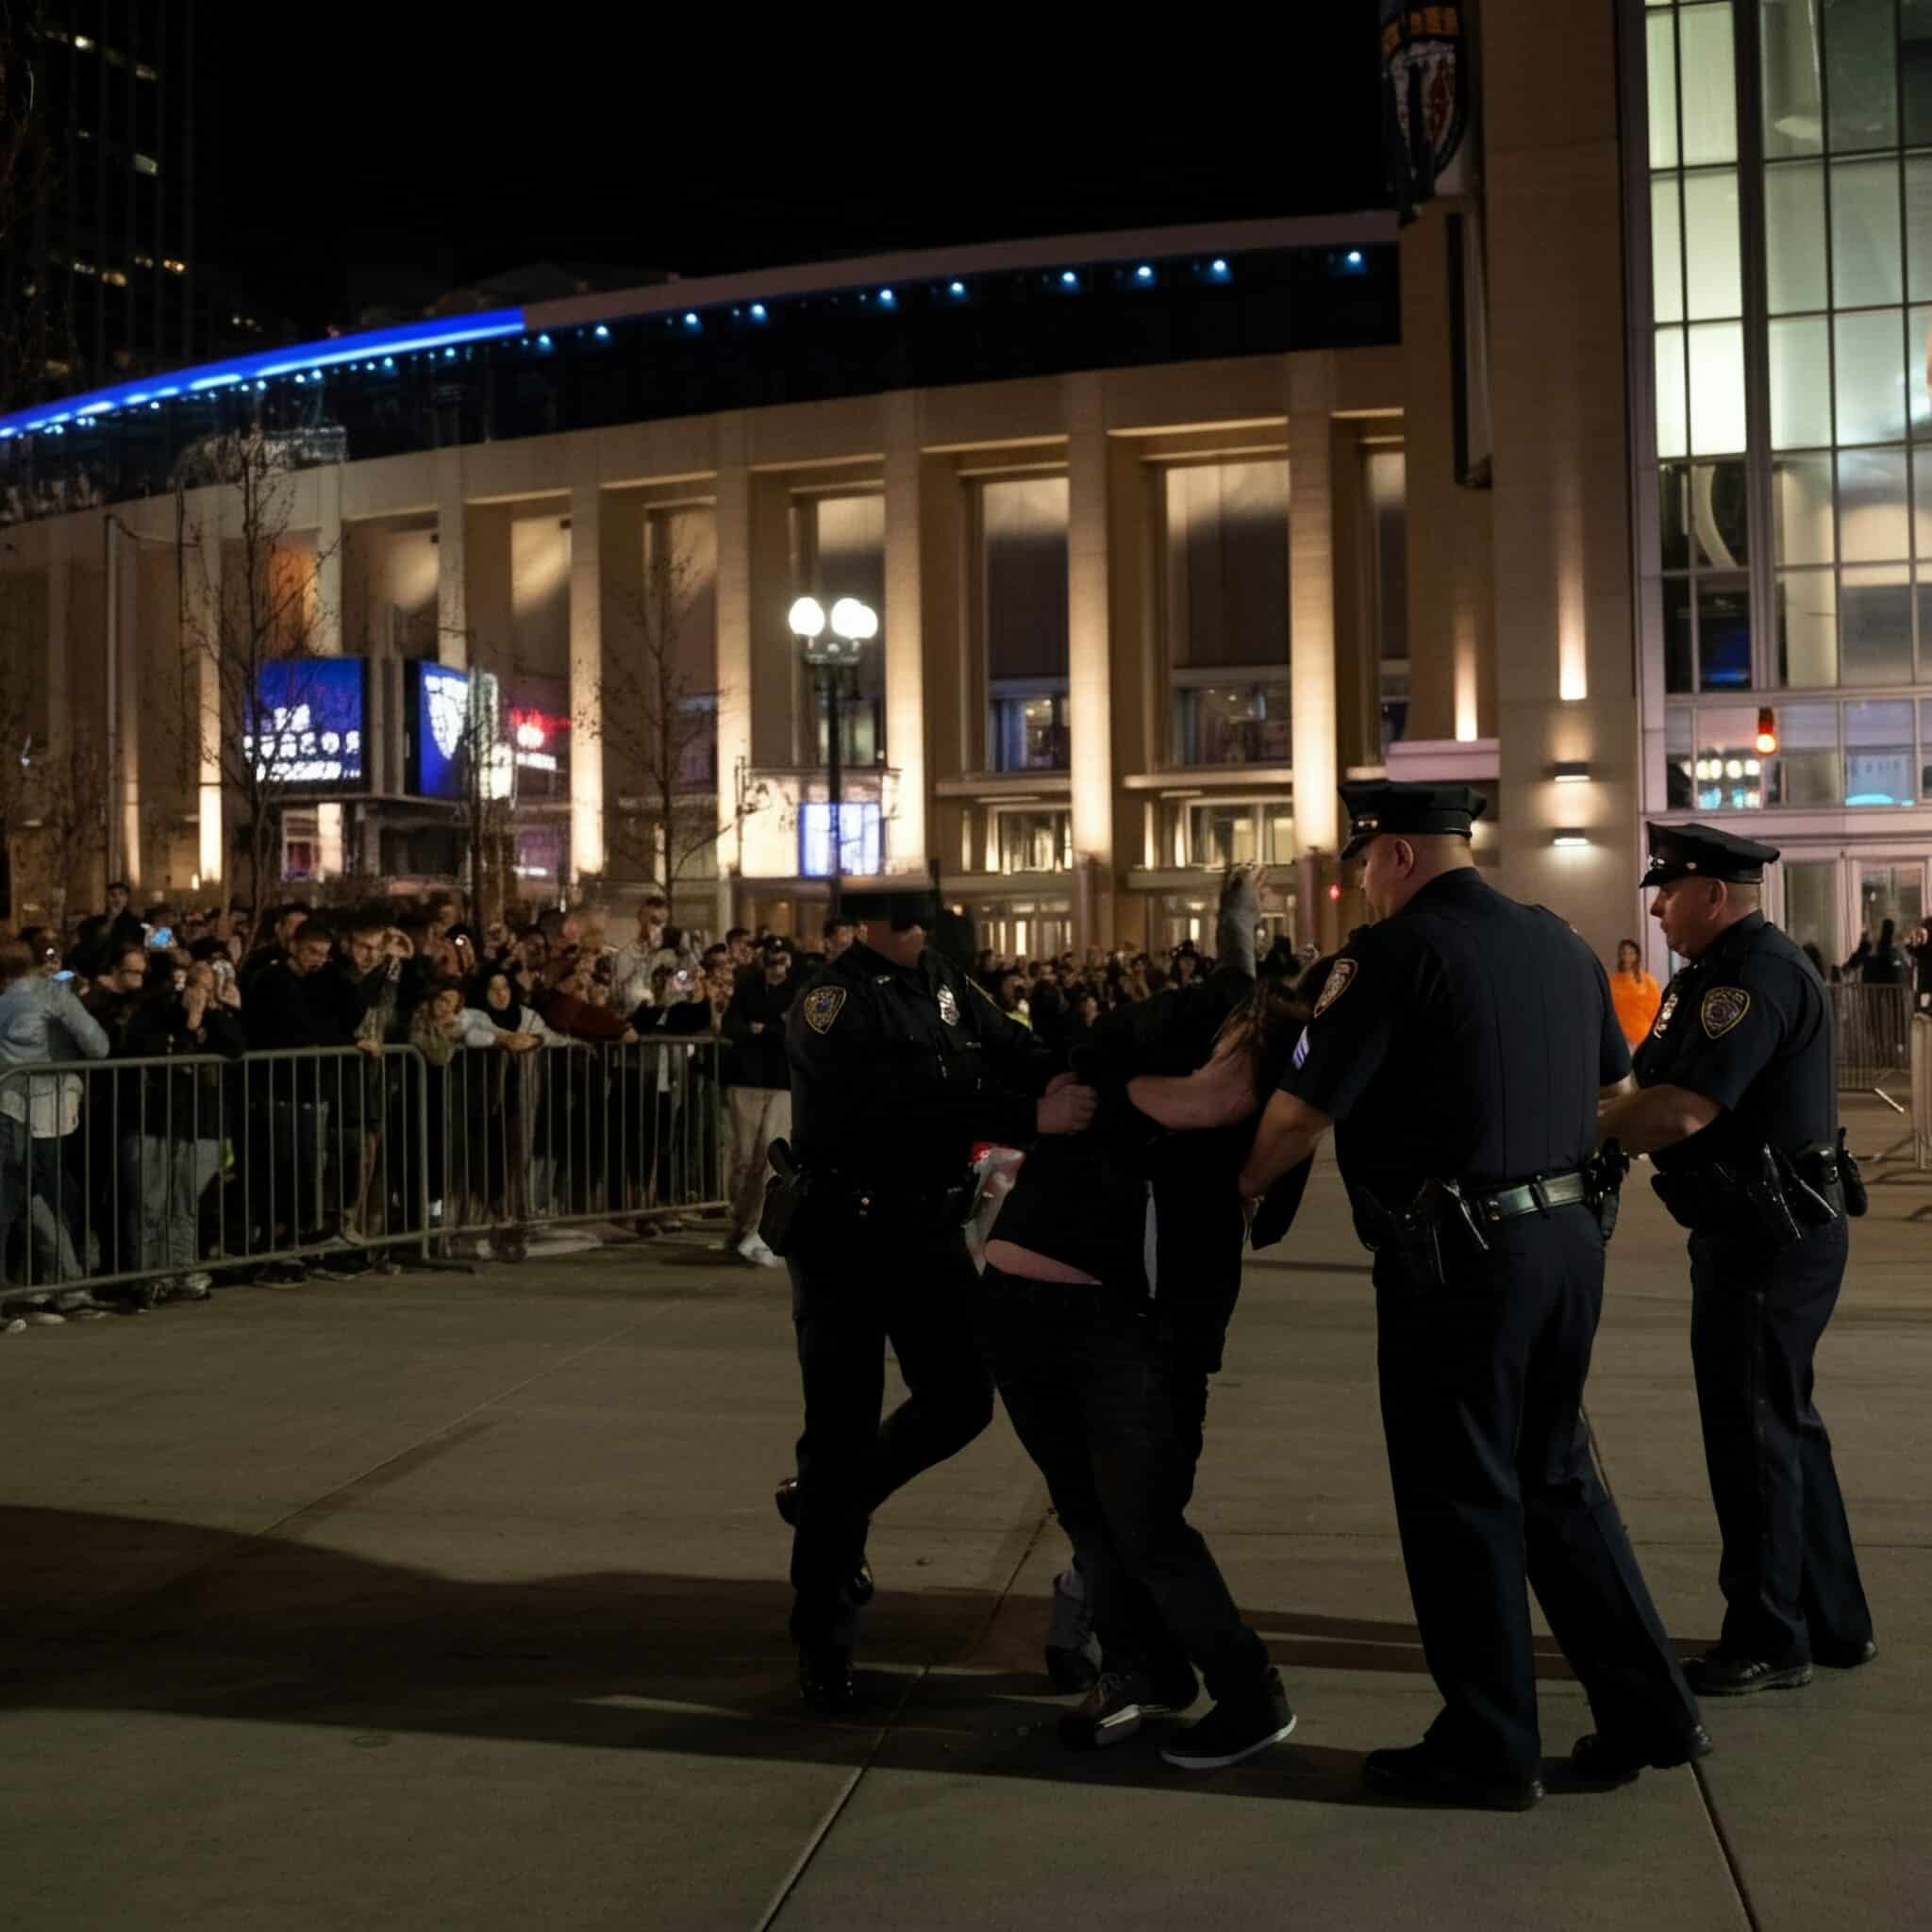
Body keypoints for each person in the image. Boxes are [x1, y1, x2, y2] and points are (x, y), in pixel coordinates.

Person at [1240, 781, 1705, 1811]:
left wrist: (1233, 1186)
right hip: (1562, 1242)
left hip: (1456, 1259)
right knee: (1556, 1478)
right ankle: (1650, 1709)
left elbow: (1300, 1111)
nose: (1361, 879)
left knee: (1459, 1495)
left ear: (1396, 852)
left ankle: (1487, 1745)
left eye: (1364, 859)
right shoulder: (1558, 942)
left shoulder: (1390, 953)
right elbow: (1605, 1094)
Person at [979, 865, 1311, 1770]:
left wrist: (1125, 1102)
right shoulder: (1174, 1033)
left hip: (1115, 1315)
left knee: (1143, 1516)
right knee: (1094, 1511)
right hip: (1036, 1305)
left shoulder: (1260, 1059)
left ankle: (1247, 1691)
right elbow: (1226, 1029)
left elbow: (1225, 1105)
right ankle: (1147, 1668)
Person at [774, 880, 1093, 1712]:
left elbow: (1007, 1043)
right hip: (846, 1235)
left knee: (960, 1399)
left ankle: (827, 1509)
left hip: (924, 1231)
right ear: (864, 926)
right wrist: (1031, 1114)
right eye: (906, 923)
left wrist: (1077, 1076)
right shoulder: (831, 1003)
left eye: (927, 922)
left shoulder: (945, 982)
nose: (920, 935)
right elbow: (907, 1102)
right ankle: (823, 1636)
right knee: (840, 1430)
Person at [1601, 824, 1876, 1697]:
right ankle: (1832, 1621)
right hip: (1755, 1229)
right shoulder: (1707, 980)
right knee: (1783, 1426)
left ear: (1712, 895)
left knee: (1752, 1432)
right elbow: (1644, 1084)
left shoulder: (1752, 978)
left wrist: (1575, 1135)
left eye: (1668, 891)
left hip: (1769, 1236)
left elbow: (1681, 1111)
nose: (1655, 906)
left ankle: (1768, 1635)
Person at [0, 935, 110, 1295]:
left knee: (24, 1195)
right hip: (51, 1109)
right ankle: (66, 1281)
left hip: (12, 1105)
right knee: (46, 1195)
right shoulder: (54, 996)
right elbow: (98, 1045)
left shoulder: (6, 1000)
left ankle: (57, 1278)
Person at [722, 938, 798, 1265]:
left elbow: (793, 1031)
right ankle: (739, 1219)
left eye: (782, 959)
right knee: (743, 1157)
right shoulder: (748, 989)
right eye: (772, 959)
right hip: (747, 1081)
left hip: (782, 1083)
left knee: (771, 1154)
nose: (777, 965)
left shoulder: (798, 992)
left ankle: (760, 1226)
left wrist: (761, 1030)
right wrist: (770, 1029)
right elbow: (733, 1026)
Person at [1610, 938, 1661, 1048]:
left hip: (1644, 1037)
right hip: (1621, 1039)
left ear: (1637, 956)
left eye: (1631, 953)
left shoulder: (1648, 981)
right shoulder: (1612, 982)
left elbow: (1657, 1011)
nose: (1627, 958)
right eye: (1624, 953)